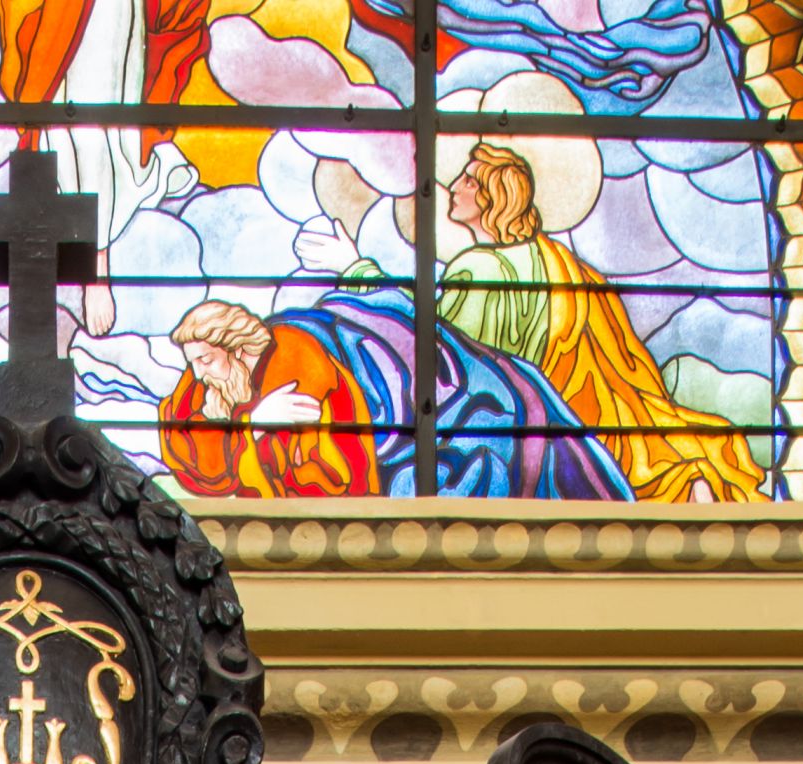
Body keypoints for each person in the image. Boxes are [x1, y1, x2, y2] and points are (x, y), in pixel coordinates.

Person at [438, 135, 760, 502]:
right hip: (572, 415)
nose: (453, 187)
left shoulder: (476, 269)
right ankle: (683, 478)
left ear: (494, 196)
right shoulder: (559, 262)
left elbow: (450, 365)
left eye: (468, 181)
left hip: (516, 428)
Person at [160, 282, 631, 503]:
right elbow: (190, 458)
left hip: (415, 403)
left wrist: (249, 433)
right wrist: (251, 425)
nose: (198, 374)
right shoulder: (212, 375)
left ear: (240, 349)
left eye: (205, 362)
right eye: (194, 363)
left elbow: (333, 484)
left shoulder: (301, 373)